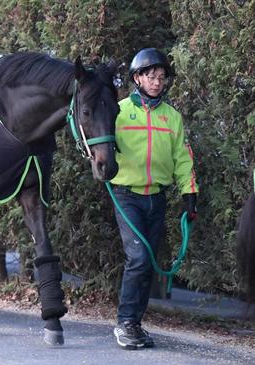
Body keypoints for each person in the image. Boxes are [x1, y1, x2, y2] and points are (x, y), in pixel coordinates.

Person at [110, 48, 199, 350]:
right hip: (126, 195)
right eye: (151, 76)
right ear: (137, 77)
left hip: (156, 198)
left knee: (148, 262)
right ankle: (125, 323)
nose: (157, 82)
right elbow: (97, 138)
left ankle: (135, 322)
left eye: (161, 77)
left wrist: (189, 192)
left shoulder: (172, 117)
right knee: (137, 257)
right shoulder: (119, 112)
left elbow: (182, 157)